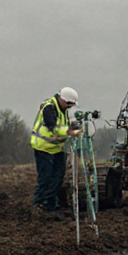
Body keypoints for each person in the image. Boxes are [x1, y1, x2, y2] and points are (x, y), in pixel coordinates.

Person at [30, 87, 81, 220]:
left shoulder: (63, 110)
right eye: (69, 104)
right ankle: (39, 203)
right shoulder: (49, 108)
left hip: (58, 148)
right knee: (45, 176)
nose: (70, 107)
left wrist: (74, 125)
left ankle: (51, 204)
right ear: (62, 100)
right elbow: (54, 128)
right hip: (44, 147)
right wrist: (70, 131)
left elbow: (64, 124)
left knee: (58, 176)